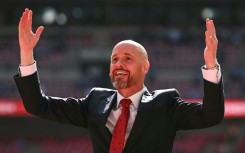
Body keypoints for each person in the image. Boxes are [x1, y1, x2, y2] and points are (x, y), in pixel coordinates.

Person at [14, 8, 224, 153]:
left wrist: (211, 65)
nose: (119, 64)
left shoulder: (166, 103)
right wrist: (26, 53)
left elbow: (211, 116)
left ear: (145, 67)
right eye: (114, 59)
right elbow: (37, 105)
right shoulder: (95, 101)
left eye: (127, 58)